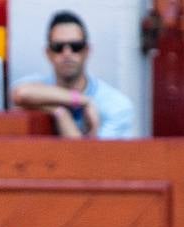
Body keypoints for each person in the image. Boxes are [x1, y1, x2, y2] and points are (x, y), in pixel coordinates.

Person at [9, 10, 137, 139]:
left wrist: (59, 112)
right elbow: (20, 94)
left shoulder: (115, 105)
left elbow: (91, 158)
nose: (67, 53)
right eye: (58, 47)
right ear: (48, 53)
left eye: (76, 46)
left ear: (87, 51)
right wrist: (80, 101)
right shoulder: (38, 86)